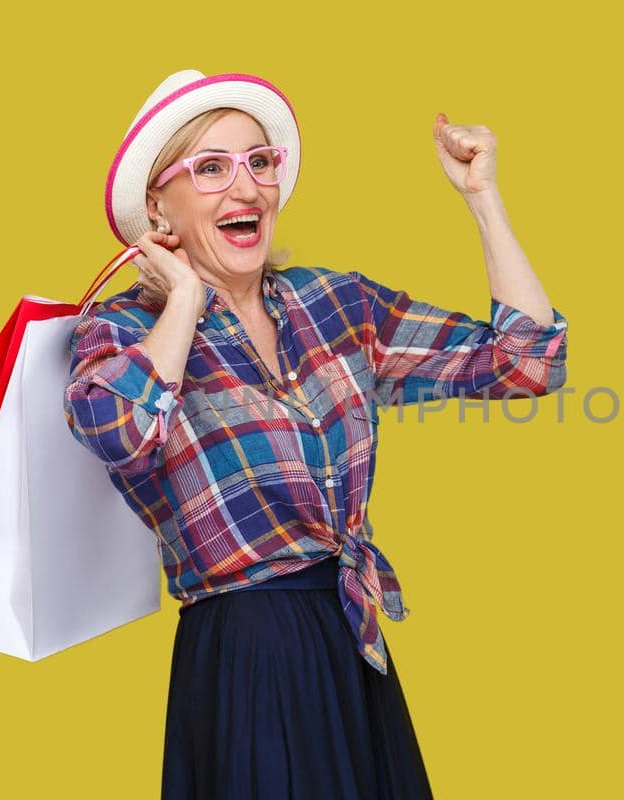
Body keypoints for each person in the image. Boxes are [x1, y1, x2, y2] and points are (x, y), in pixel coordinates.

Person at [64, 69, 569, 799]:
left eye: (258, 162)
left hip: (350, 639)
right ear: (157, 208)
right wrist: (183, 298)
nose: (246, 189)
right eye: (210, 168)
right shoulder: (121, 331)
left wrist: (482, 200)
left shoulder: (335, 304)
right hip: (245, 656)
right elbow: (120, 435)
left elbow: (528, 364)